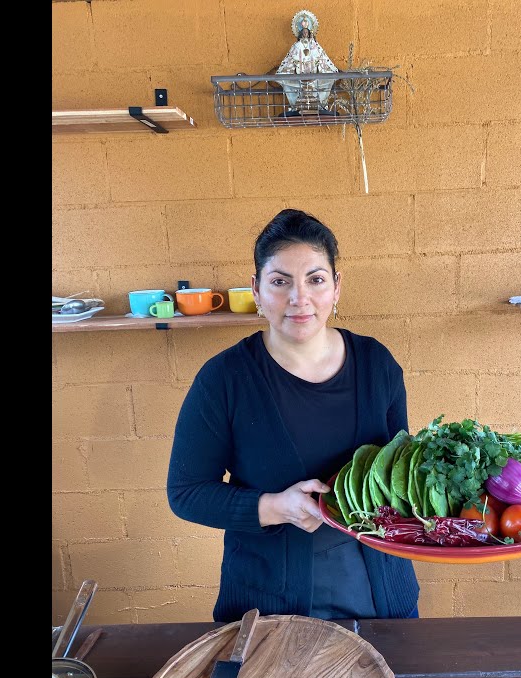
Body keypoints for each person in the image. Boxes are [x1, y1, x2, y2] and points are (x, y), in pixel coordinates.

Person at [167, 208, 420, 622]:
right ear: (256, 289)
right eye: (280, 281)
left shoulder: (377, 365)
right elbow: (186, 492)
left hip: (382, 599)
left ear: (336, 287)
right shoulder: (224, 378)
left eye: (315, 279)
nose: (299, 298)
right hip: (268, 607)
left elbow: (400, 472)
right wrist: (275, 507)